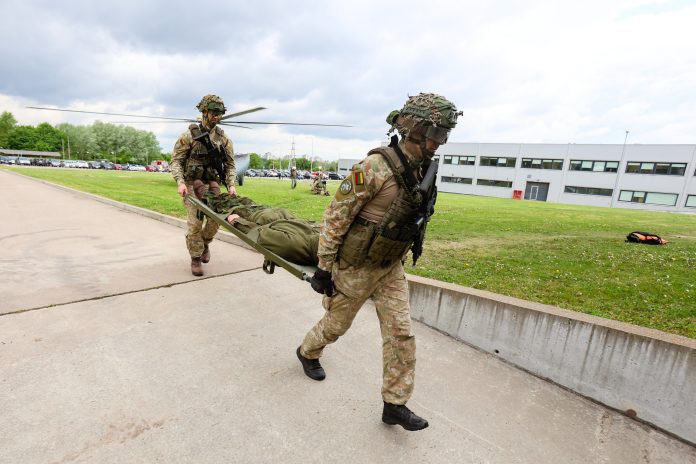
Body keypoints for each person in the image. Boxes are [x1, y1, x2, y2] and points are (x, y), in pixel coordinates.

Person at [296, 93, 461, 431]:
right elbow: (335, 217)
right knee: (336, 326)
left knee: (402, 334)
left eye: (444, 136)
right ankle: (308, 351)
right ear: (416, 129)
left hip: (390, 268)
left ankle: (395, 403)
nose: (439, 143)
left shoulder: (424, 170)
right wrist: (325, 267)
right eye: (437, 134)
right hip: (355, 267)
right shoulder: (373, 168)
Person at [171, 94, 237, 276]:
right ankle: (195, 258)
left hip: (212, 183)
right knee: (195, 223)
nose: (217, 116)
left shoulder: (224, 139)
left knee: (216, 220)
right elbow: (176, 161)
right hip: (192, 184)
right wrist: (180, 182)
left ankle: (205, 243)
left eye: (220, 113)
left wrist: (231, 184)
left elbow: (231, 164)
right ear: (204, 112)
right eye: (214, 112)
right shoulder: (189, 136)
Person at [193, 180, 320, 265]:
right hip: (271, 213)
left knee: (226, 205)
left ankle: (208, 196)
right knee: (240, 200)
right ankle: (217, 195)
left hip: (255, 216)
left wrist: (237, 221)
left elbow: (258, 233)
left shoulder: (293, 245)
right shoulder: (321, 235)